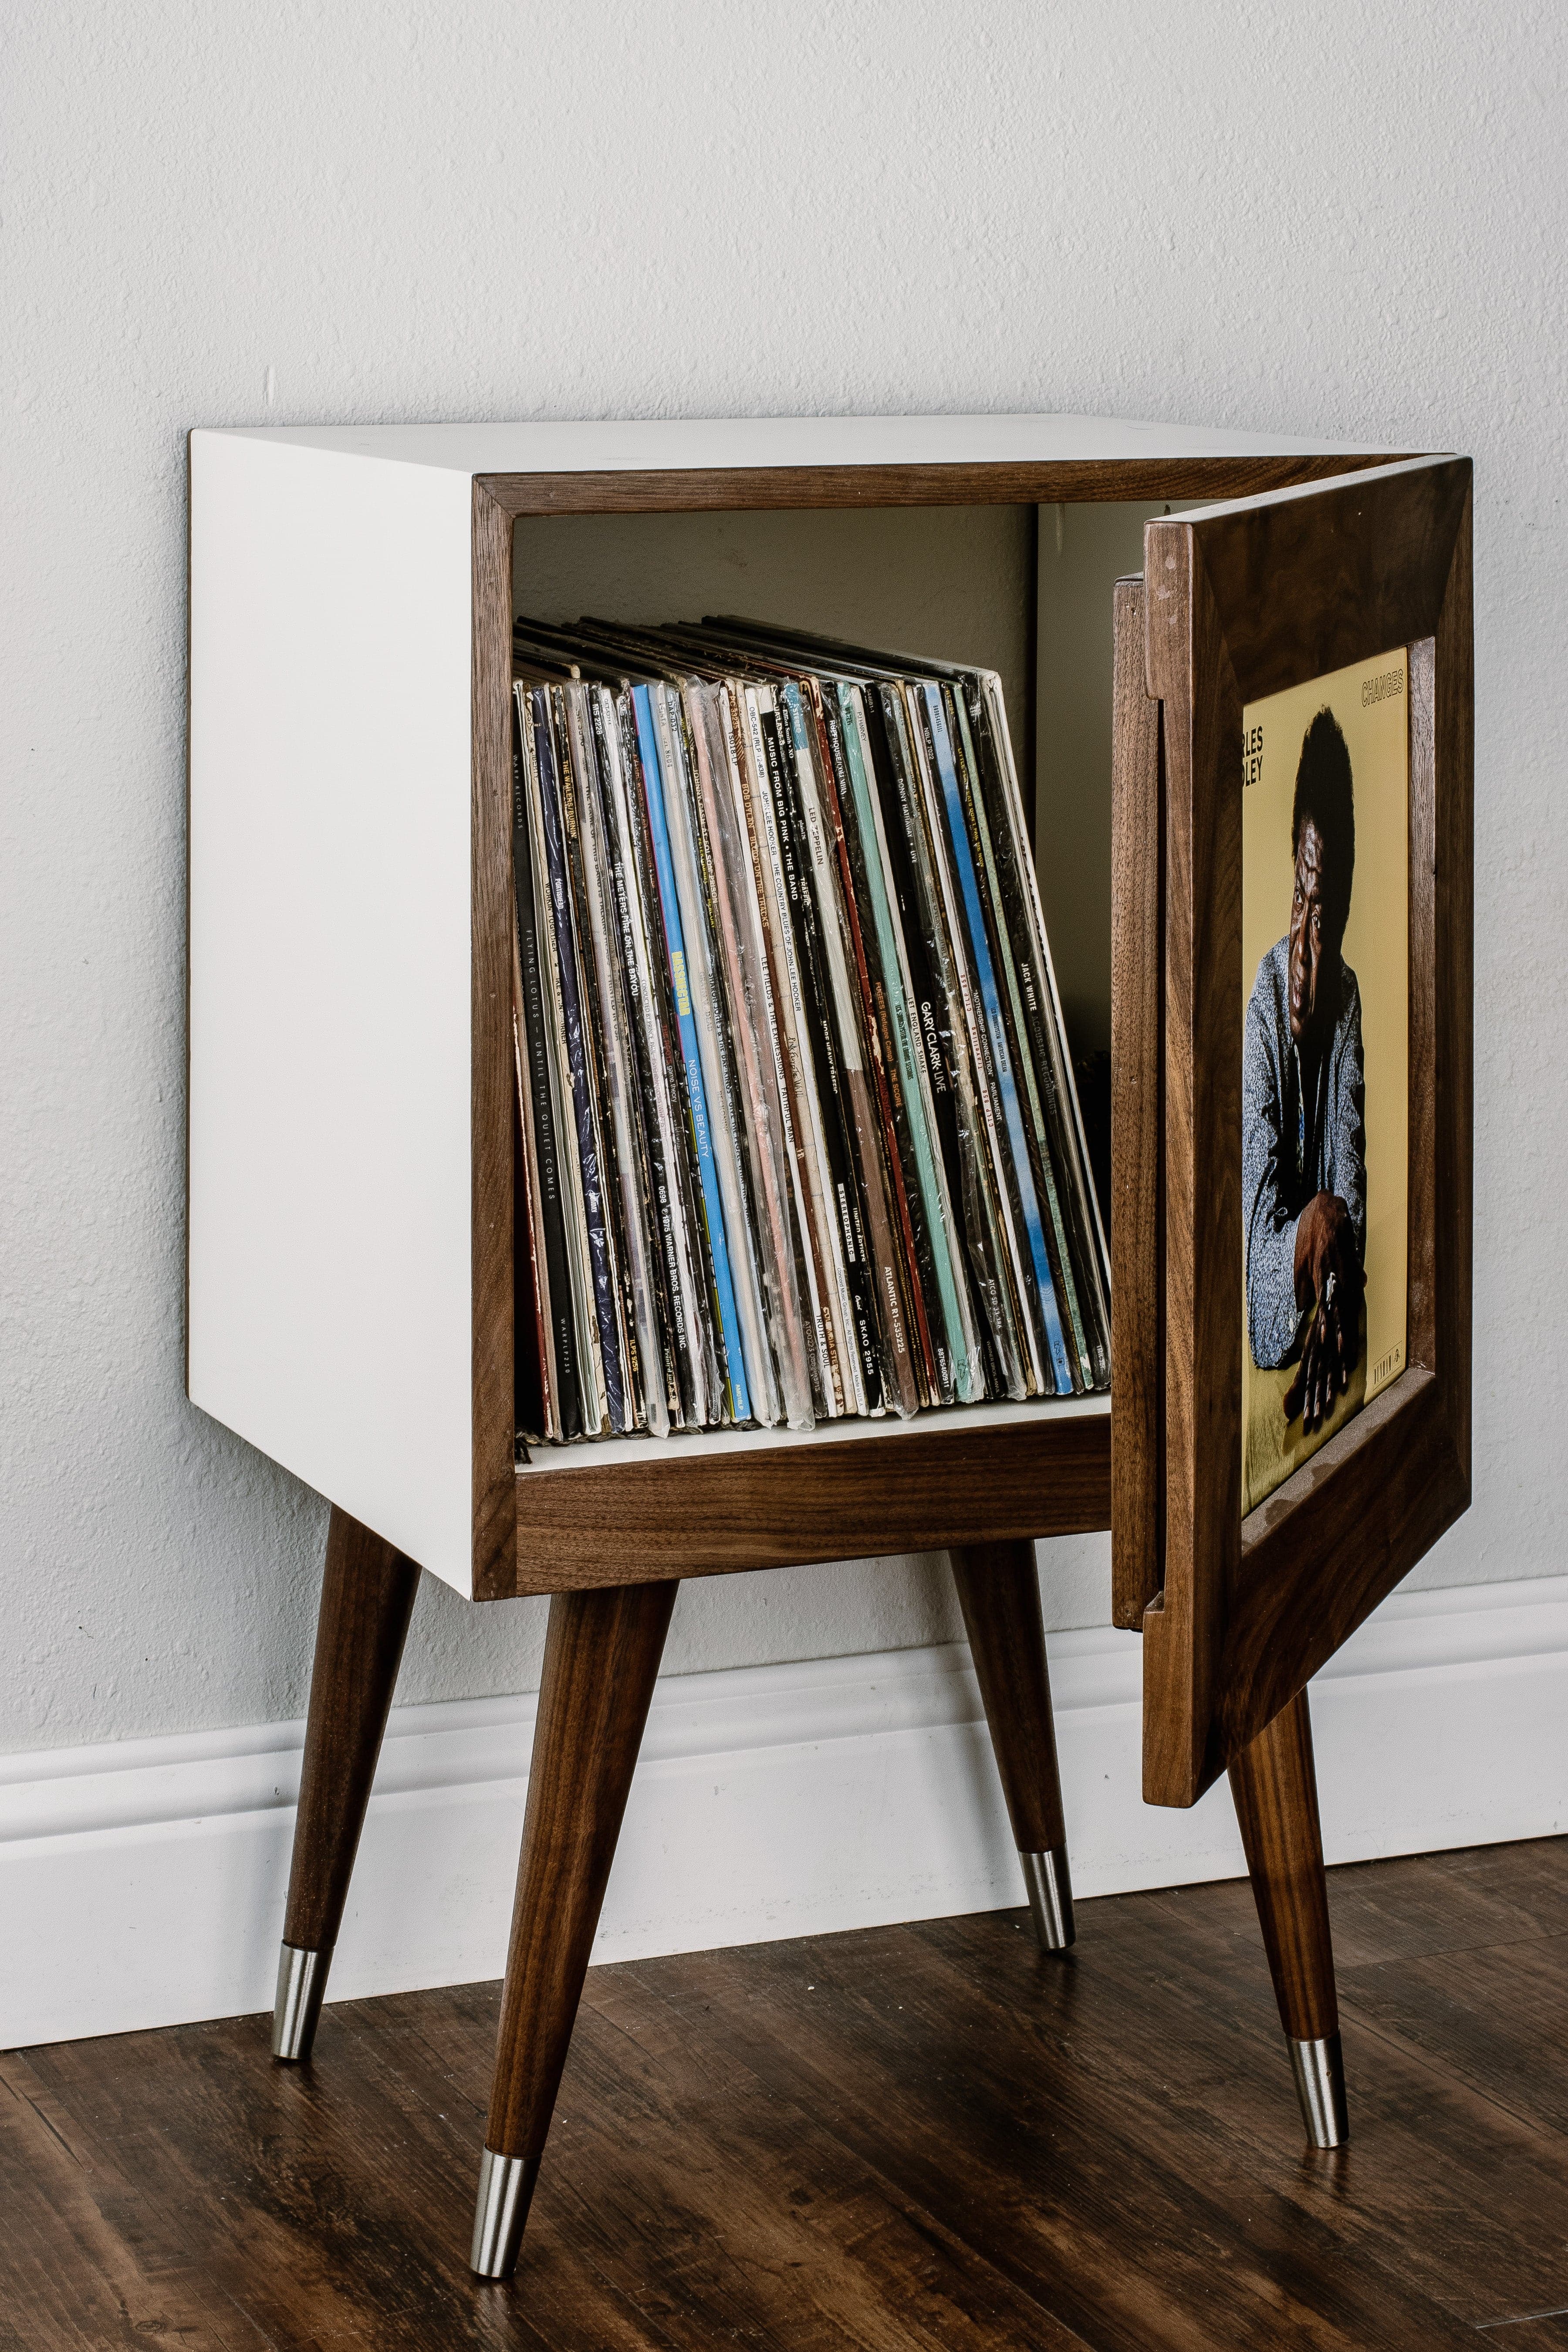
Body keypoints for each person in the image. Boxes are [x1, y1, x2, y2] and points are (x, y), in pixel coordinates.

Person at [1242, 707, 1367, 1436]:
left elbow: (1349, 1207)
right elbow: (1263, 1320)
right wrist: (1318, 1227)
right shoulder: (1258, 1010)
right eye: (1299, 894)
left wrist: (1332, 1231)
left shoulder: (1346, 999)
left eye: (1322, 917)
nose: (1303, 946)